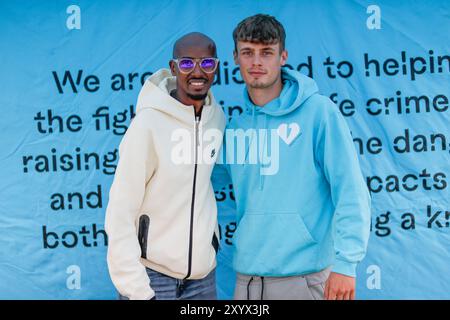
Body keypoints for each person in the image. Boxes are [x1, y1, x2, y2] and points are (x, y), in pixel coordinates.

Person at [224, 14, 371, 300]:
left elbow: (351, 190)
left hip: (306, 280)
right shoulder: (235, 126)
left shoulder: (319, 113)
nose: (256, 62)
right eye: (248, 53)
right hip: (246, 282)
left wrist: (346, 264)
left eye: (266, 52)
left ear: (283, 57)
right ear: (235, 58)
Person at [105, 32, 226, 300]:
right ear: (173, 68)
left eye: (206, 63)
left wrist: (210, 245)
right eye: (186, 63)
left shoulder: (217, 118)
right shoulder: (147, 124)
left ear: (216, 68)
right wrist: (135, 288)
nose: (197, 71)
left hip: (202, 280)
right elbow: (120, 210)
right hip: (152, 278)